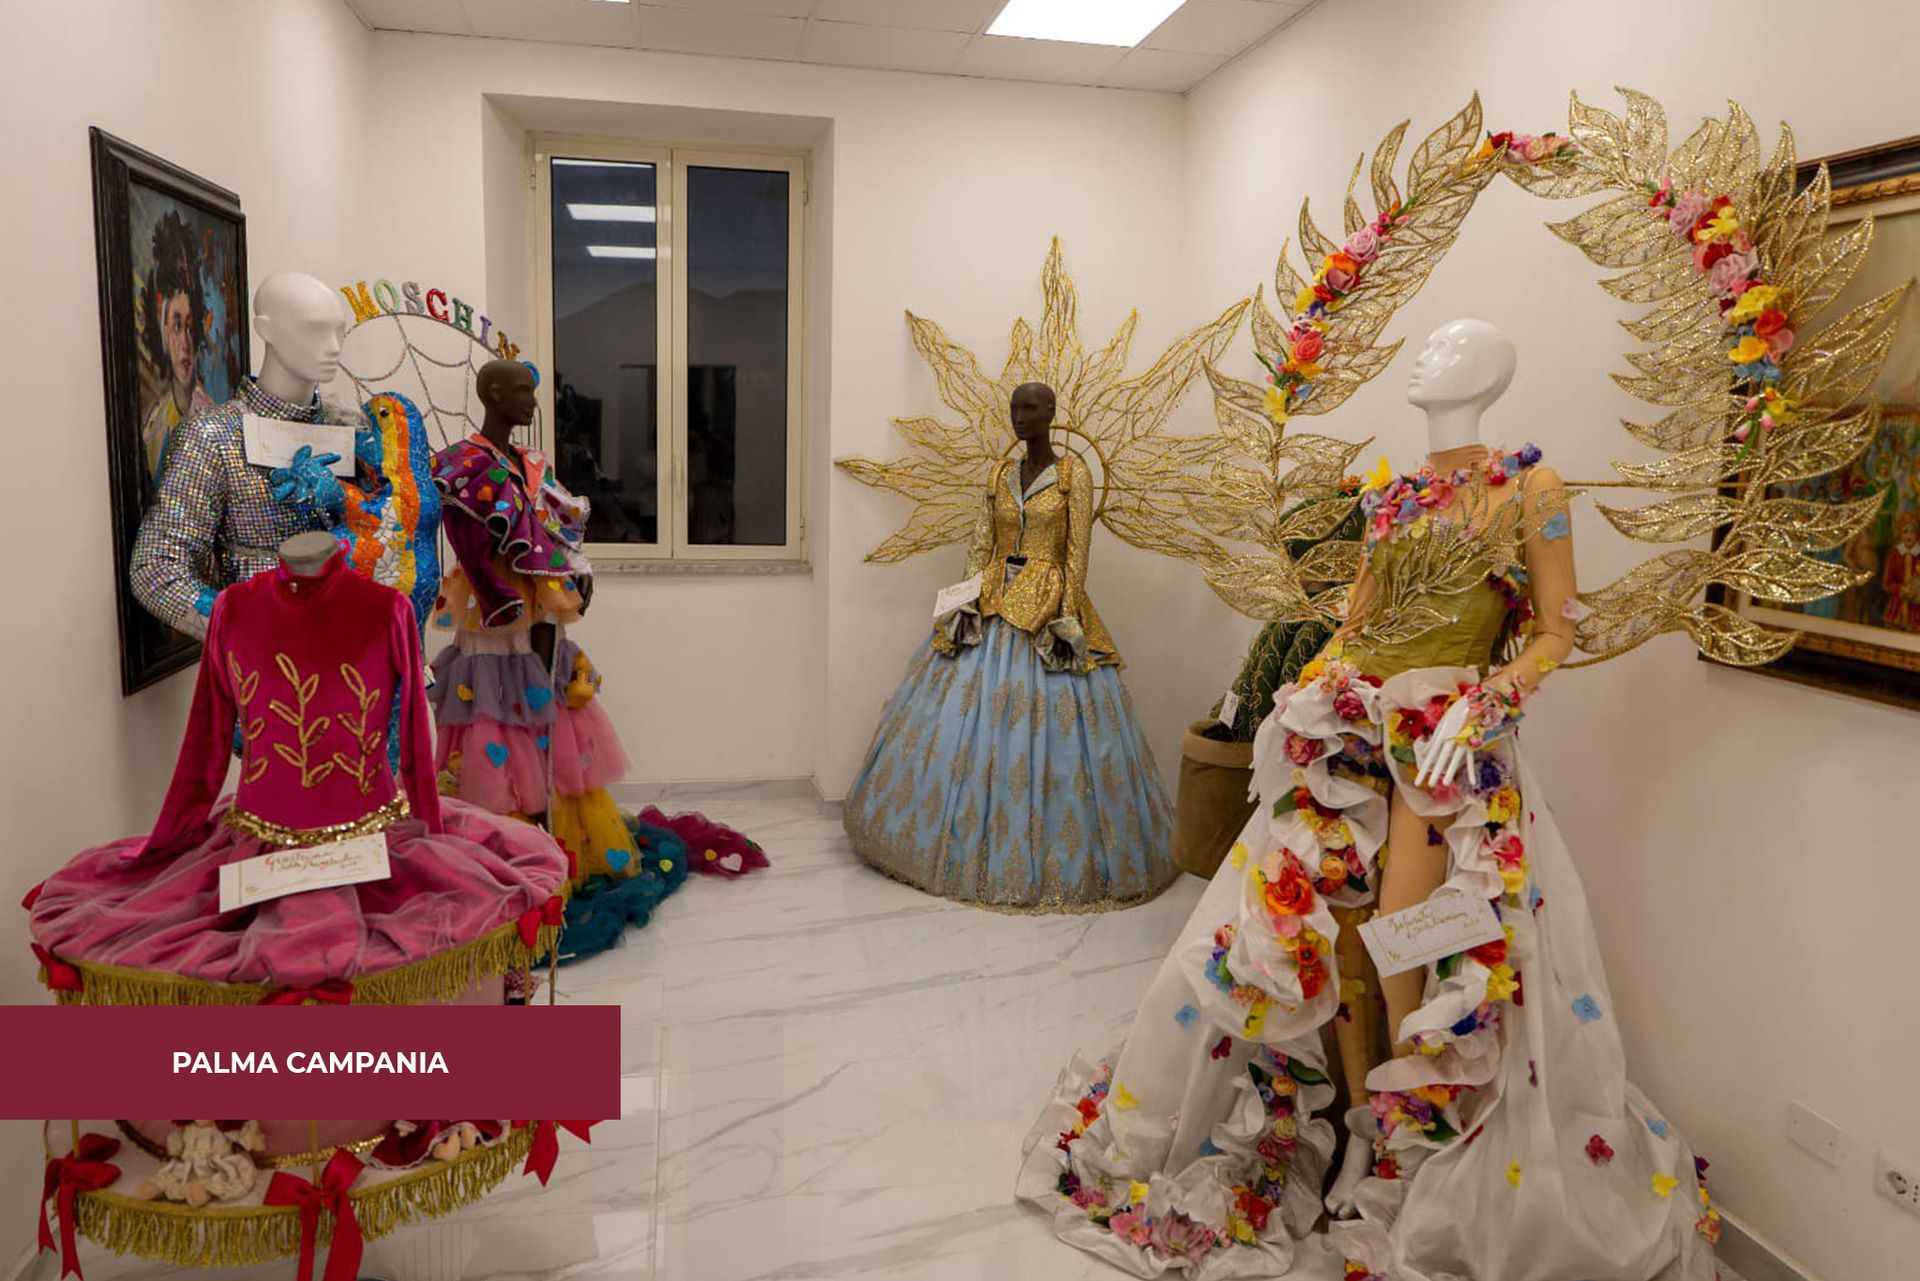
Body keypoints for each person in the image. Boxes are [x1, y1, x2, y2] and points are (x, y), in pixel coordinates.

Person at [1019, 322, 1716, 1281]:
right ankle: (1354, 1124)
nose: (1424, 357)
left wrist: (1485, 701)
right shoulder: (1391, 497)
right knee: (1329, 930)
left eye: (1448, 349)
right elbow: (1358, 621)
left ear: (1488, 373)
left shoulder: (1534, 491)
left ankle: (1406, 1136)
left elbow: (1556, 632)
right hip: (1351, 736)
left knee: (1406, 930)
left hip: (1443, 741)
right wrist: (1306, 694)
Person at [844, 381, 1179, 913]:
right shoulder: (1000, 472)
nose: (1020, 417)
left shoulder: (1072, 475)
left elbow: (1077, 553)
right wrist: (964, 601)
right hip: (993, 598)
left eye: (1030, 408)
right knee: (958, 715)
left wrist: (1065, 618)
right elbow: (982, 542)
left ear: (1051, 413)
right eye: (1014, 408)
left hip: (1047, 603)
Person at [139, 210, 215, 485]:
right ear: (163, 333)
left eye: (190, 327)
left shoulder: (211, 419)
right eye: (176, 326)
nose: (185, 343)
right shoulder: (155, 425)